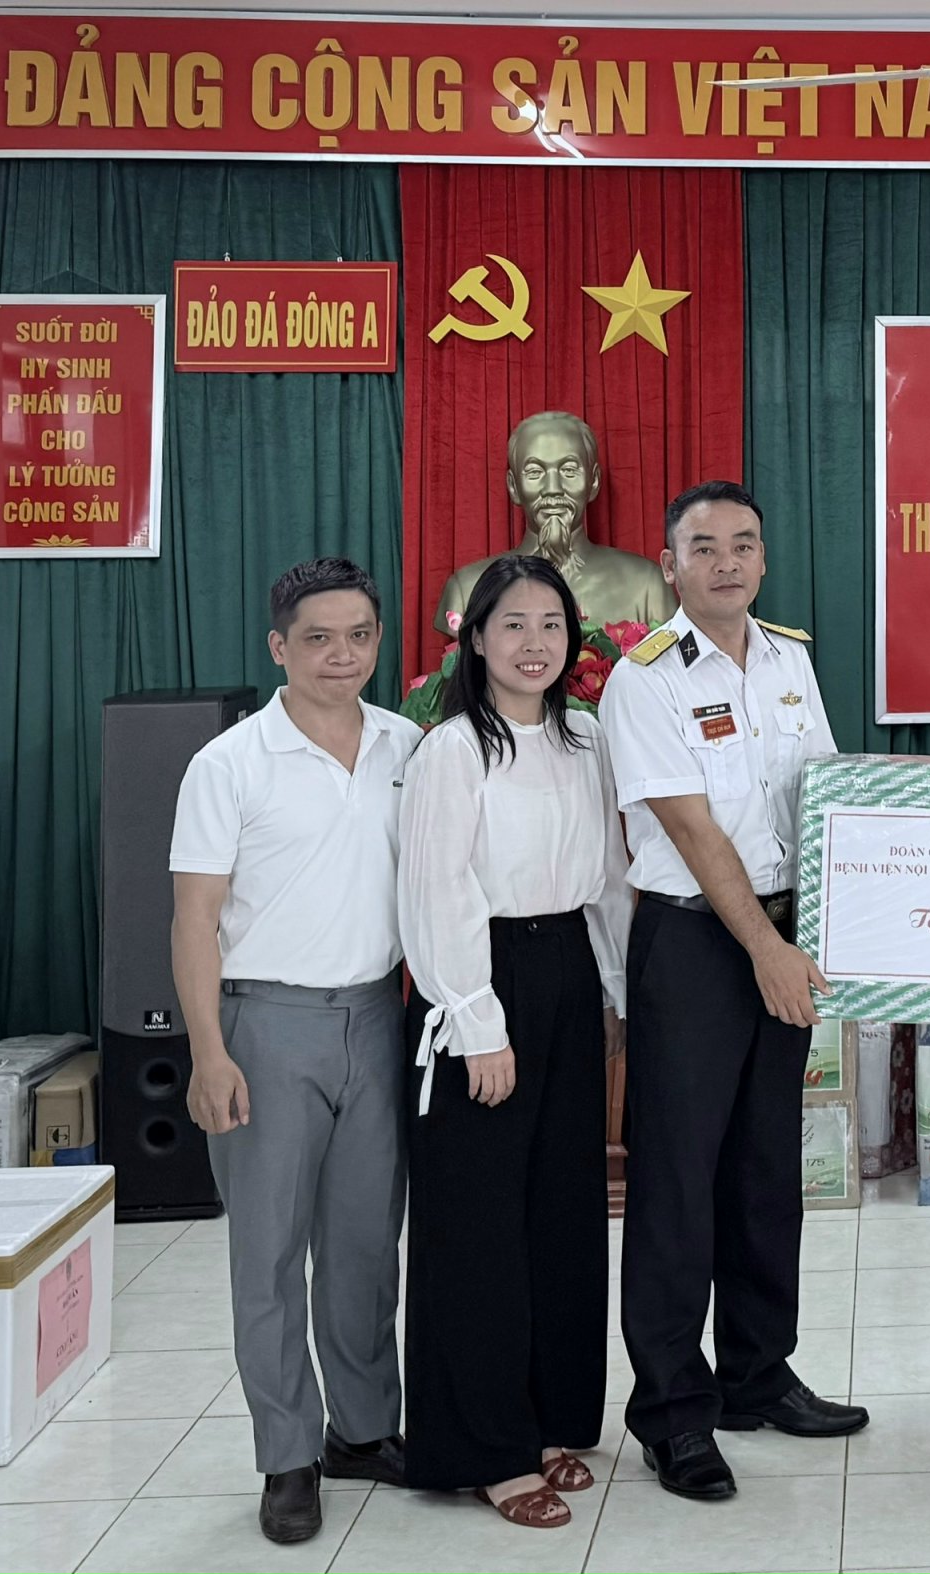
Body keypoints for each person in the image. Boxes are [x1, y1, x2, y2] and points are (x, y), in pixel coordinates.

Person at [602, 479, 867, 1503]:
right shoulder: (646, 679)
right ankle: (673, 1411)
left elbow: (829, 798)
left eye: (743, 544)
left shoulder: (790, 660)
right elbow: (690, 828)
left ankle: (758, 1374)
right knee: (678, 1180)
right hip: (697, 944)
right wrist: (762, 945)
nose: (726, 562)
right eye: (703, 546)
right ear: (670, 564)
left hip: (784, 936)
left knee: (764, 1168)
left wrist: (837, 932)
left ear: (762, 559)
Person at [169, 558, 420, 1545]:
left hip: (377, 1017)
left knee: (364, 1245)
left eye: (358, 635)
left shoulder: (405, 745)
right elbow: (193, 920)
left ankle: (363, 1428)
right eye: (318, 638)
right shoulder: (228, 763)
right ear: (280, 646)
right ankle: (287, 1454)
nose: (340, 655)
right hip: (264, 1027)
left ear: (378, 640)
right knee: (268, 1252)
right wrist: (208, 1051)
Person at [397, 554, 632, 1528]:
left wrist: (616, 994)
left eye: (551, 625)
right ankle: (485, 1448)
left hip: (569, 971)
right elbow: (436, 890)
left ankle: (545, 1421)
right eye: (513, 624)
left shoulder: (586, 738)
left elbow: (609, 875)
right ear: (476, 639)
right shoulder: (451, 750)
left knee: (561, 1214)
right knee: (479, 1224)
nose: (534, 643)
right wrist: (475, 1022)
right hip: (481, 982)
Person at [435, 409, 678, 635]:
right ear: (513, 486)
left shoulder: (648, 586)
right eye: (535, 472)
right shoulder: (466, 590)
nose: (553, 488)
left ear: (593, 482)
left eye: (569, 470)